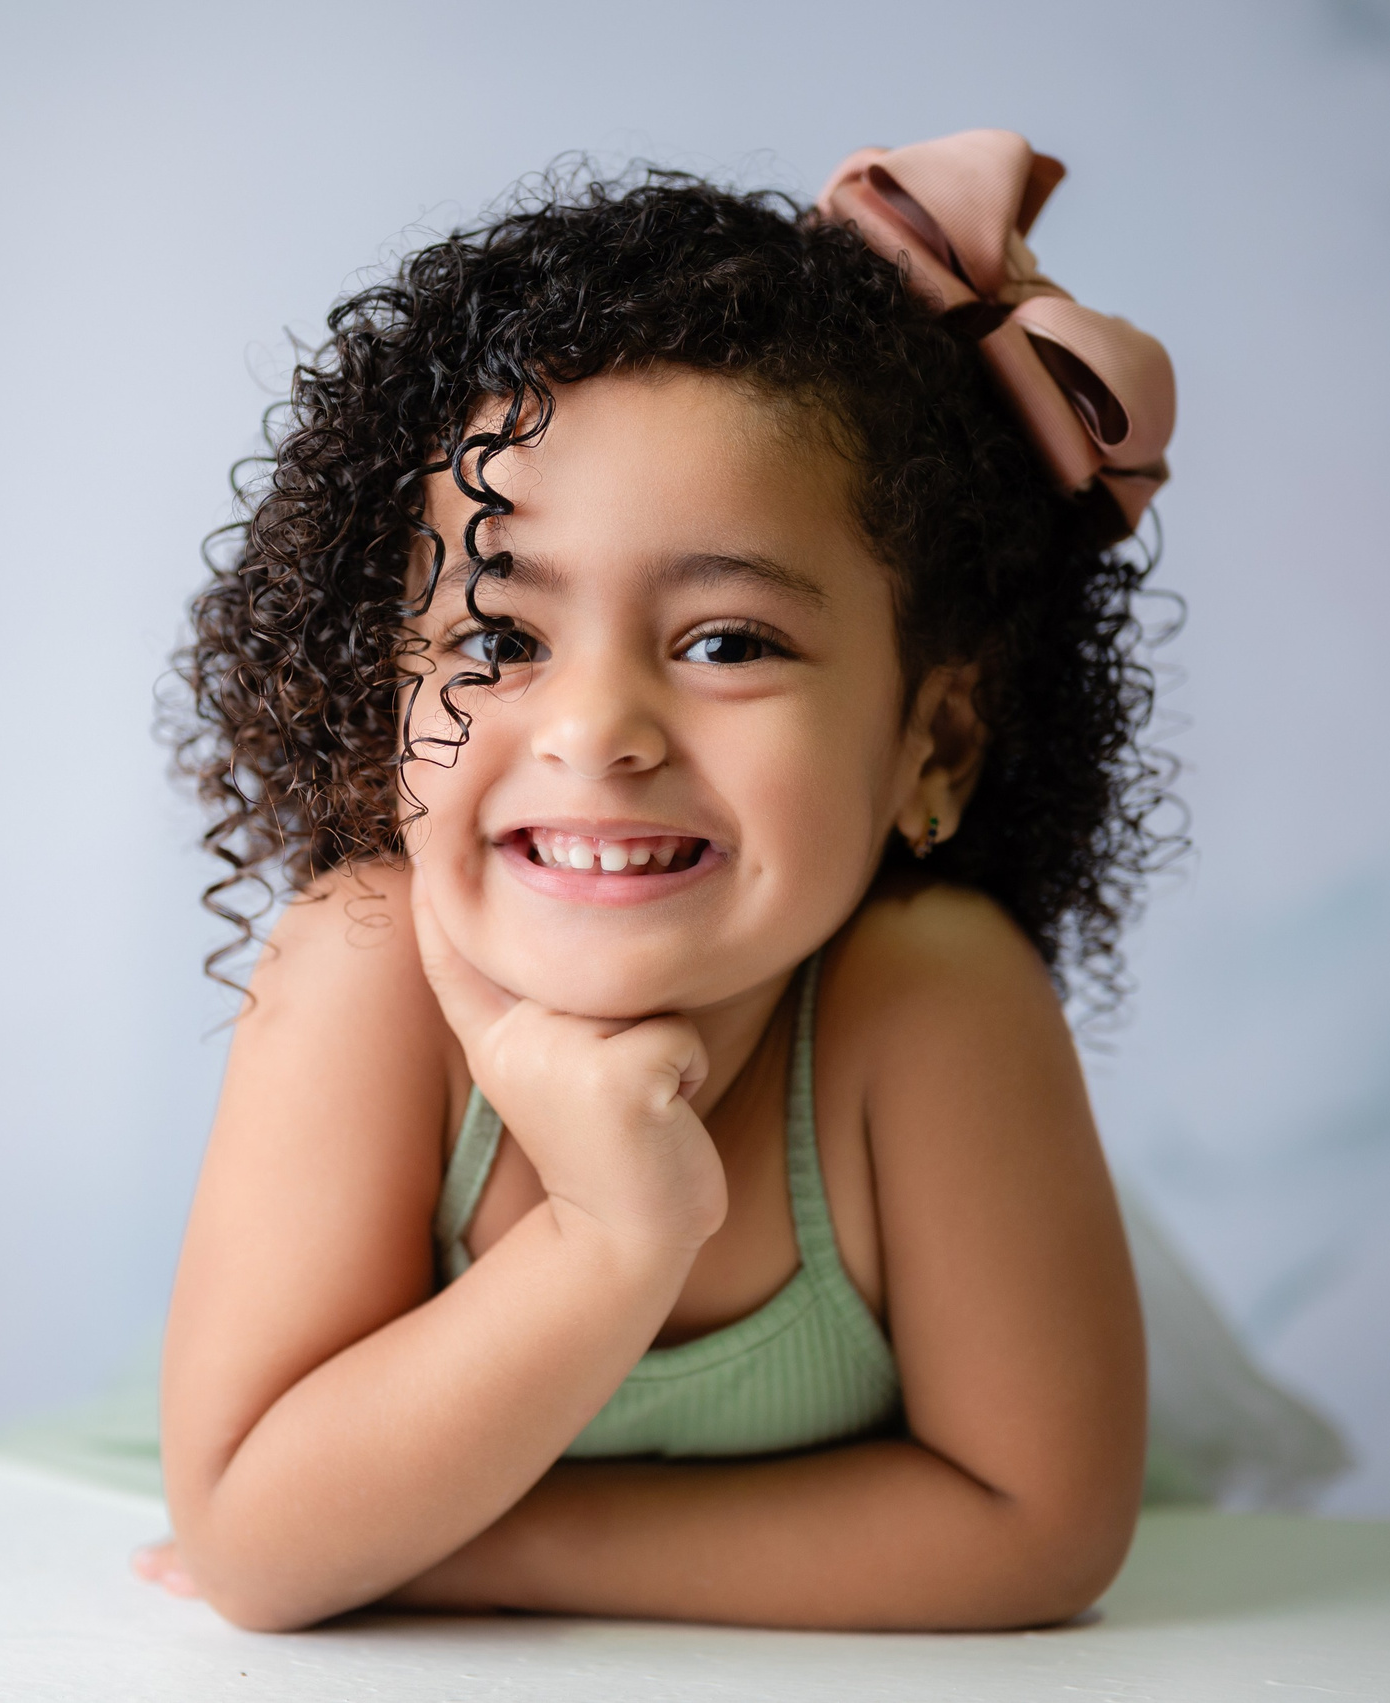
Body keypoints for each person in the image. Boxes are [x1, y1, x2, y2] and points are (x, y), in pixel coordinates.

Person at [140, 131, 1179, 1632]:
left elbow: (1036, 1533)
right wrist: (610, 1231)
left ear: (932, 742)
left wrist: (447, 1549)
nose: (596, 732)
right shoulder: (362, 967)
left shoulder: (929, 1003)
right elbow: (249, 1545)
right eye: (501, 640)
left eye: (727, 642)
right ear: (387, 697)